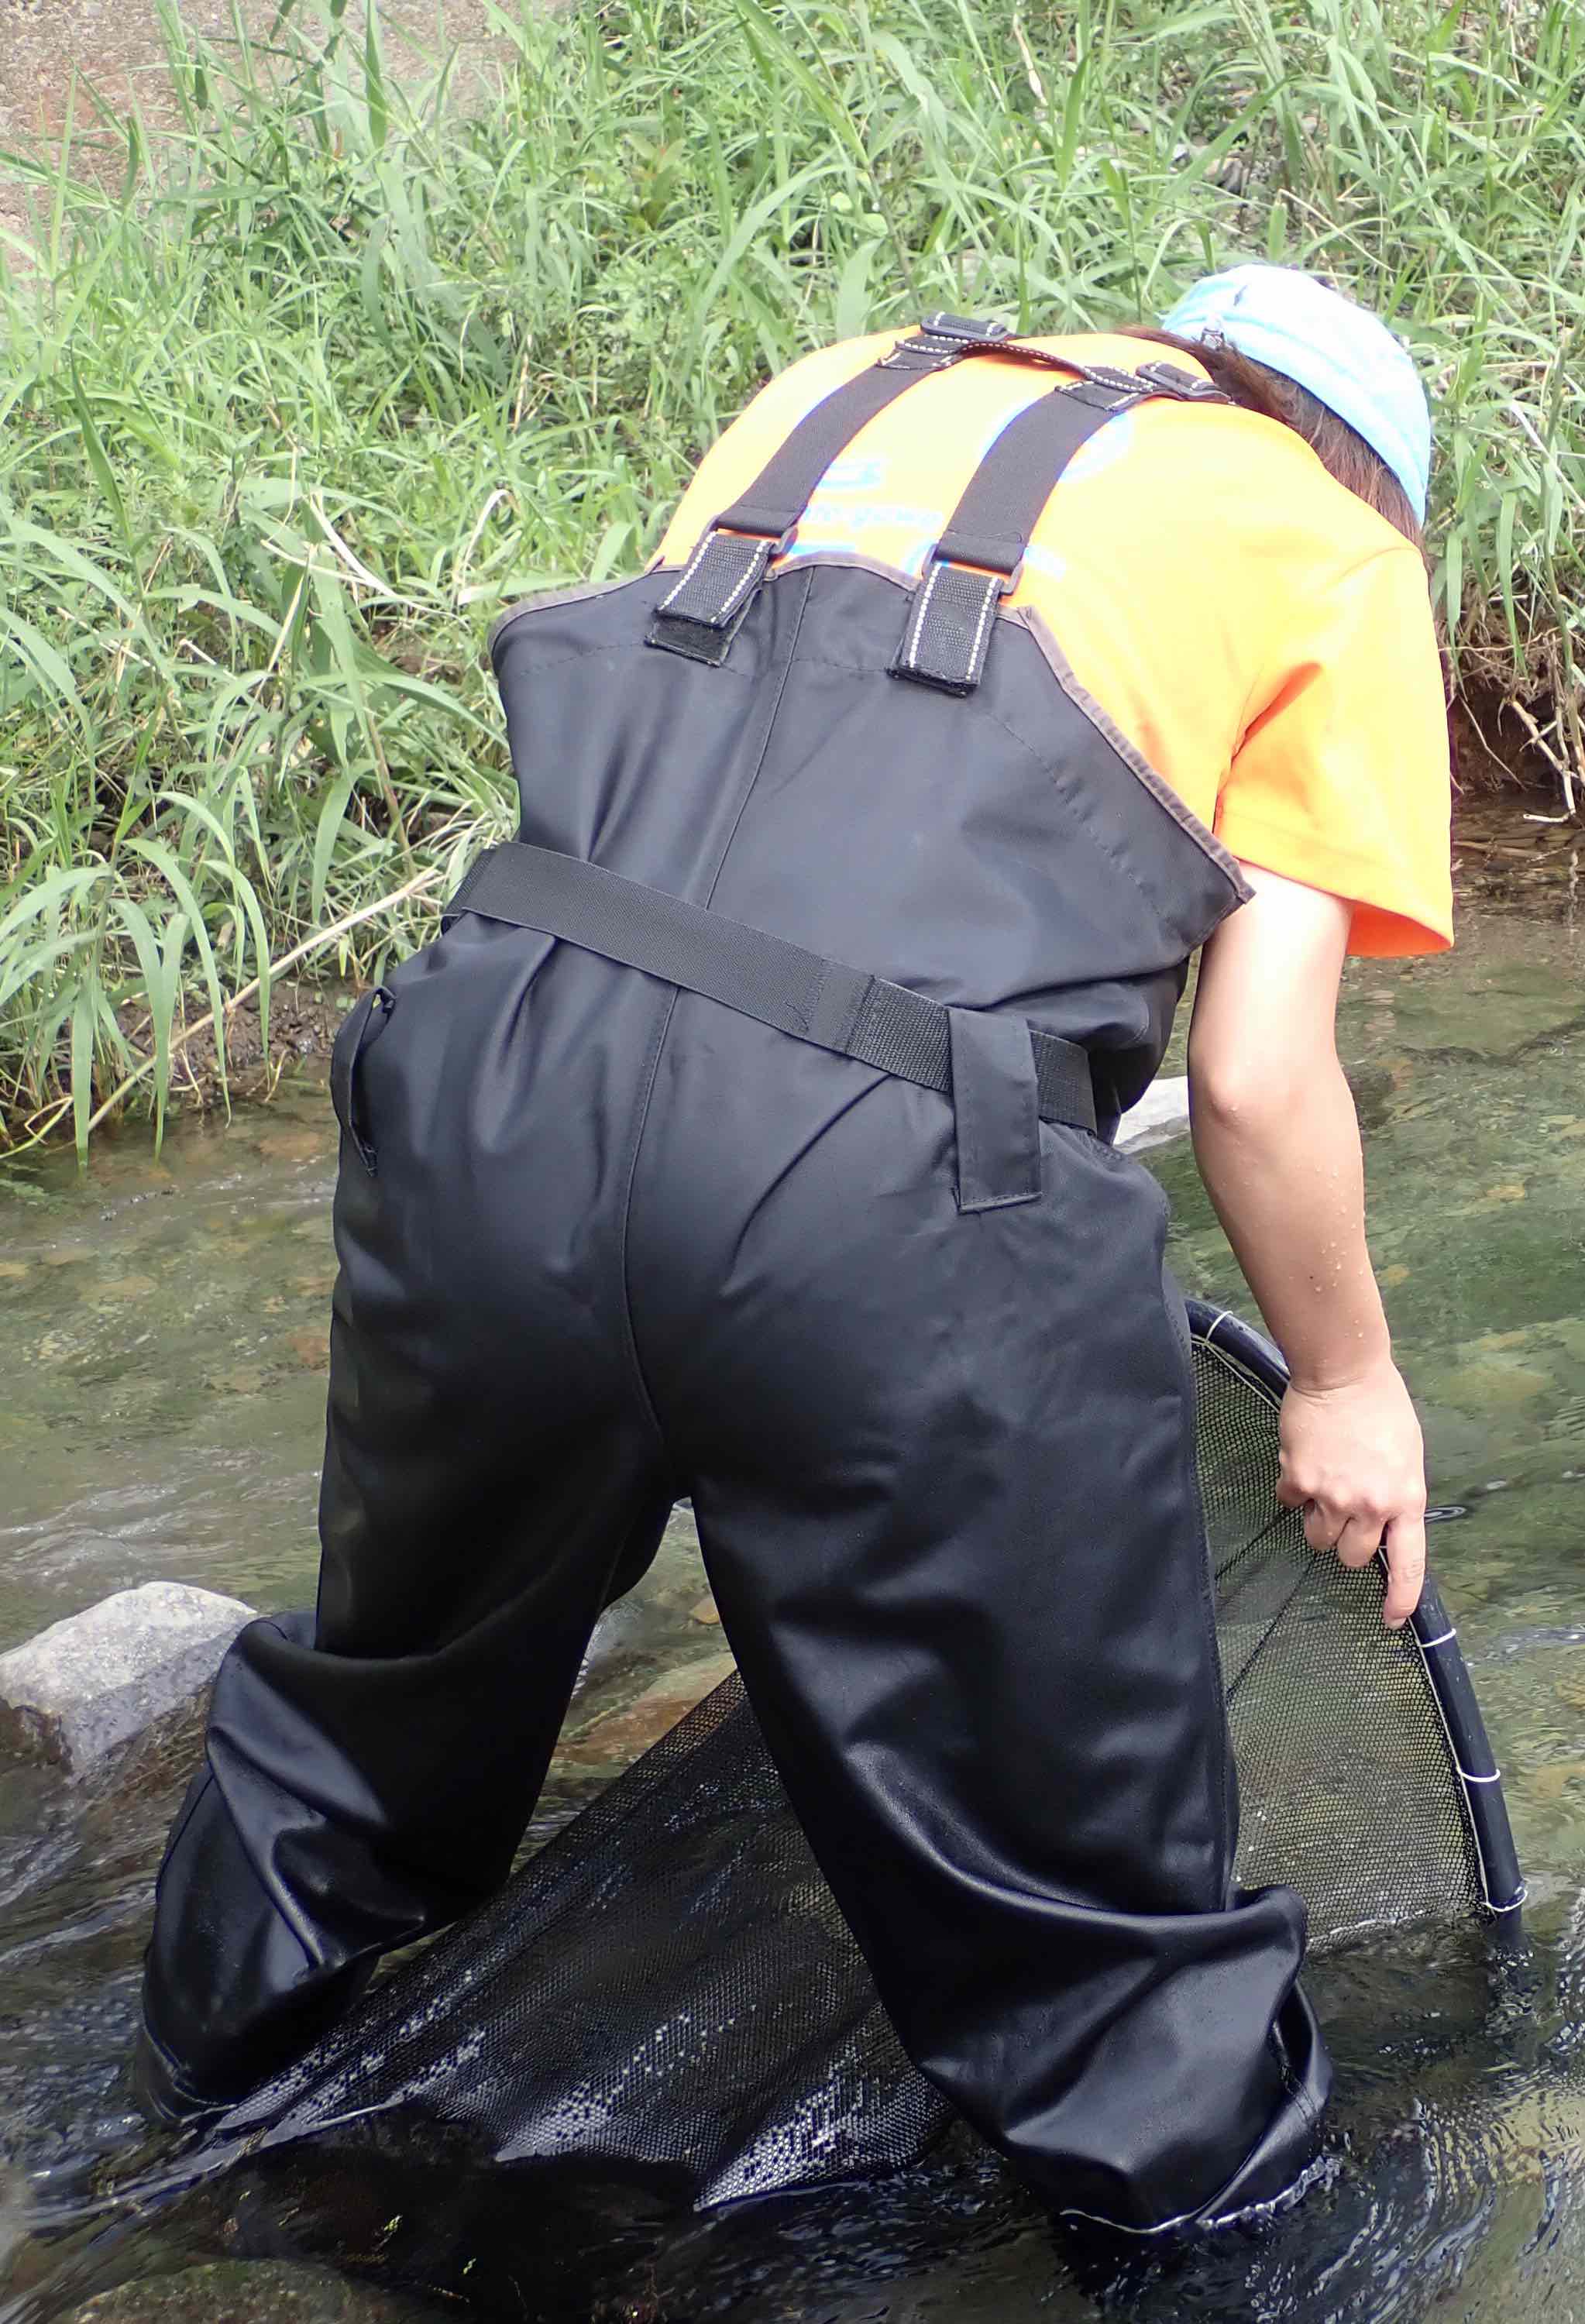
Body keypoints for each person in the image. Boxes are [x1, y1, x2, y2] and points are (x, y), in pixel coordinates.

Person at [130, 265, 1453, 2233]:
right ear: (1361, 469)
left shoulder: (838, 395)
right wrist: (1347, 1382)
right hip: (892, 1189)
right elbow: (1255, 1080)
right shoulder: (1328, 549)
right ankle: (1227, 2249)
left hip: (492, 1081)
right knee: (1090, 1958)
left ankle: (156, 2168)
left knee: (379, 1723)